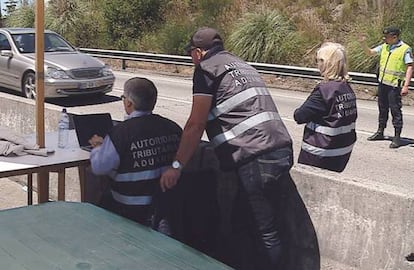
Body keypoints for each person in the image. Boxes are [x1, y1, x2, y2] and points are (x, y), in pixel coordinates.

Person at [159, 27, 293, 270]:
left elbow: (195, 124)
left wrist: (177, 166)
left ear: (198, 53)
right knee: (245, 222)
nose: (191, 59)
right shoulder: (241, 64)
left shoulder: (206, 69)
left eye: (191, 54)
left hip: (255, 155)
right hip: (279, 148)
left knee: (265, 230)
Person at [88, 77, 182, 232]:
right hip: (168, 205)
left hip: (130, 209)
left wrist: (99, 147)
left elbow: (99, 167)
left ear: (129, 103)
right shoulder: (172, 127)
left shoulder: (121, 133)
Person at [294, 42, 357, 172]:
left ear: (326, 63)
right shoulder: (347, 87)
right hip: (342, 152)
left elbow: (300, 116)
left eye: (319, 61)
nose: (317, 64)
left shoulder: (324, 90)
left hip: (320, 154)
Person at [359, 26, 413, 148]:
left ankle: (397, 137)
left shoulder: (405, 49)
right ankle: (380, 132)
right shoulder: (385, 46)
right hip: (383, 84)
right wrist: (363, 43)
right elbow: (370, 53)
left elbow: (410, 66)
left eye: (387, 37)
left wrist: (406, 86)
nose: (384, 38)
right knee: (382, 109)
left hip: (394, 86)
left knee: (395, 111)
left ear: (395, 37)